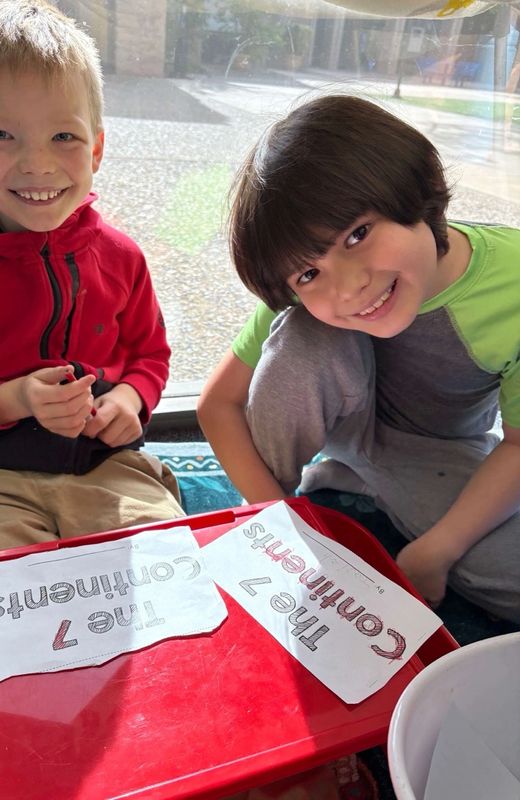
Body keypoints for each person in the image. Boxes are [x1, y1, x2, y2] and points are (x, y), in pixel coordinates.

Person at [198, 94, 520, 623]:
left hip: (439, 455)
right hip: (340, 431)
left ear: (419, 193)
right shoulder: (307, 308)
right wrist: (274, 516)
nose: (349, 287)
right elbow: (219, 403)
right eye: (308, 273)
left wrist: (437, 550)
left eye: (358, 234)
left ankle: (357, 484)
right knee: (306, 335)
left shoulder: (508, 281)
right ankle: (319, 483)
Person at [0, 0, 184, 571]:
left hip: (109, 468)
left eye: (63, 136)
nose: (37, 164)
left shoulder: (121, 256)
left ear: (96, 148)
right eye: (0, 134)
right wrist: (11, 400)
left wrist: (129, 398)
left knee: (168, 565)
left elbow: (150, 354)